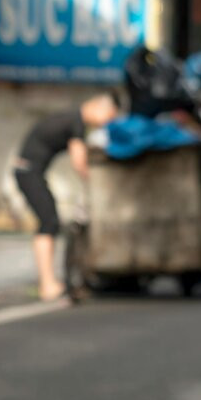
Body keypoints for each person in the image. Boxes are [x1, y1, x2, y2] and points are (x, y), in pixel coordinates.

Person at [13, 93, 122, 300]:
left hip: (31, 172)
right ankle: (47, 284)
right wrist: (98, 186)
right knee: (49, 222)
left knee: (50, 222)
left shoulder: (71, 117)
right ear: (99, 106)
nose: (107, 122)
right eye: (109, 116)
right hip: (28, 172)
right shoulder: (76, 122)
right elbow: (79, 162)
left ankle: (49, 282)